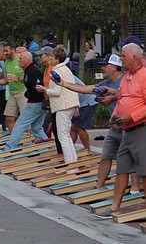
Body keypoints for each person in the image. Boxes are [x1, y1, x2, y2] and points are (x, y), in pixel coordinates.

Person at [58, 54, 132, 193]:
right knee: (105, 156)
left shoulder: (126, 80)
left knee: (129, 159)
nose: (102, 67)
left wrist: (113, 94)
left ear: (115, 67)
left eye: (105, 65)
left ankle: (134, 188)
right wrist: (65, 84)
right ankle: (99, 185)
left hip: (129, 126)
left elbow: (129, 94)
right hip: (115, 126)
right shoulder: (106, 83)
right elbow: (87, 89)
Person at [95, 44, 146, 218]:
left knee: (144, 171)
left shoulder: (144, 76)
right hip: (126, 130)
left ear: (134, 57)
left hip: (141, 128)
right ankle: (115, 206)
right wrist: (115, 115)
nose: (121, 59)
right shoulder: (126, 77)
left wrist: (131, 117)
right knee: (122, 168)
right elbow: (121, 99)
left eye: (123, 56)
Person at [36, 46, 79, 165]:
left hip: (62, 106)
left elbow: (57, 92)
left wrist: (44, 89)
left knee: (62, 136)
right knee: (66, 135)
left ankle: (69, 163)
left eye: (51, 57)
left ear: (56, 59)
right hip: (69, 104)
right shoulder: (66, 69)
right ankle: (72, 161)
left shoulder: (57, 71)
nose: (50, 59)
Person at [0, 51, 47, 151]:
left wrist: (29, 95)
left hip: (35, 103)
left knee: (19, 125)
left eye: (20, 59)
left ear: (27, 60)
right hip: (37, 102)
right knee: (36, 127)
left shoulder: (32, 71)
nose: (18, 61)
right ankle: (46, 145)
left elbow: (37, 87)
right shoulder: (29, 70)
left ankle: (9, 147)